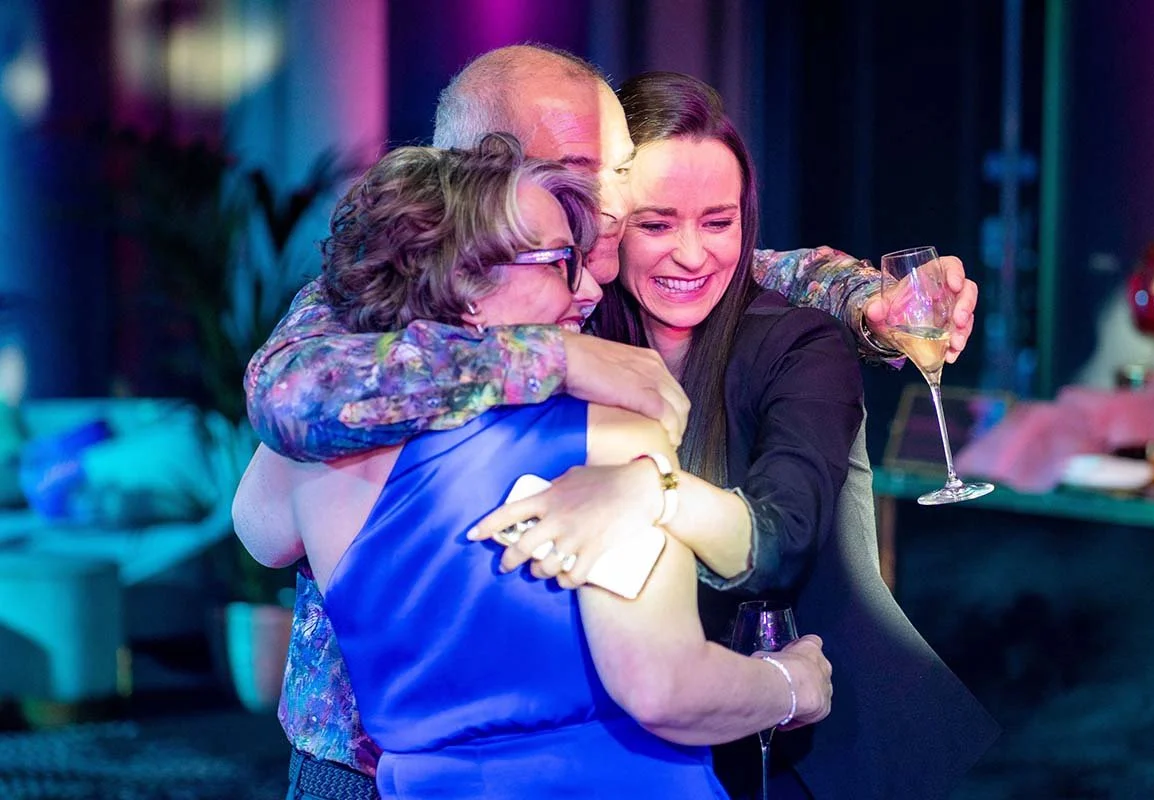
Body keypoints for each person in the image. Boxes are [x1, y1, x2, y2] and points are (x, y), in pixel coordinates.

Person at [239, 44, 982, 799]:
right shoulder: (374, 326)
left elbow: (718, 260)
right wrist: (552, 358)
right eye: (584, 172)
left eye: (620, 167)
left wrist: (866, 299)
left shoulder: (580, 268)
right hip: (367, 759)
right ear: (480, 185)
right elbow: (290, 405)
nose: (616, 202)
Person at [470, 72, 1000, 800]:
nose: (692, 254)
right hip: (638, 746)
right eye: (656, 225)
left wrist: (648, 490)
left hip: (823, 747)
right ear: (608, 224)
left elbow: (783, 538)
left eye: (718, 222)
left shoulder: (799, 343)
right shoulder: (572, 339)